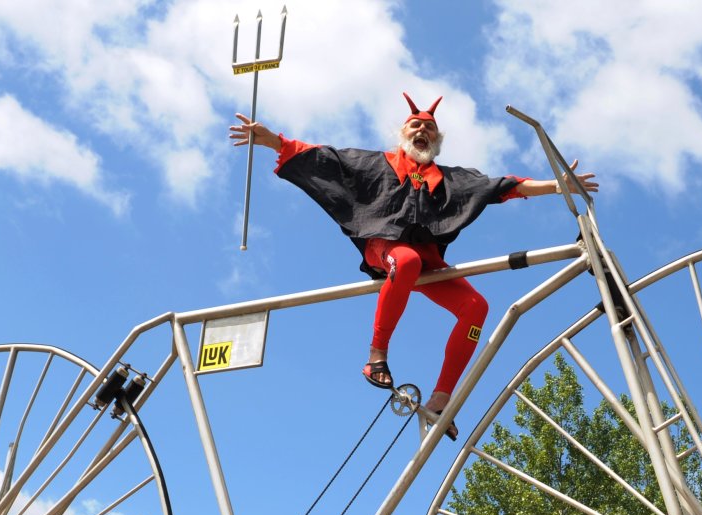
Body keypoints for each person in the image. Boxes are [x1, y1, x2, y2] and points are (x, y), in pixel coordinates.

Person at [229, 94, 598, 439]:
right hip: (386, 250)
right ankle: (376, 356)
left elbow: (505, 185)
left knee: (476, 307)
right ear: (402, 133)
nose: (422, 130)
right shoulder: (376, 163)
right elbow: (323, 157)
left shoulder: (452, 179)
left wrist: (557, 185)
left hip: (428, 262)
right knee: (404, 260)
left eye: (430, 128)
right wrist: (274, 141)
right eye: (415, 126)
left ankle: (441, 401)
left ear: (438, 139)